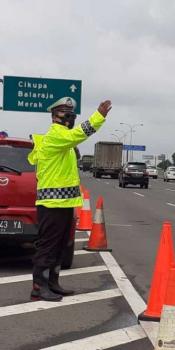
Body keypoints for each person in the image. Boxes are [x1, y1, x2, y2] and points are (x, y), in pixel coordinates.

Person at [28, 97, 112, 301]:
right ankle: (39, 287)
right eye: (66, 115)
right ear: (54, 117)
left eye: (72, 115)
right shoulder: (56, 136)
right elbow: (78, 134)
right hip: (51, 204)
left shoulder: (64, 139)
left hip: (64, 202)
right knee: (47, 246)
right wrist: (98, 116)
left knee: (60, 246)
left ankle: (52, 283)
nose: (70, 118)